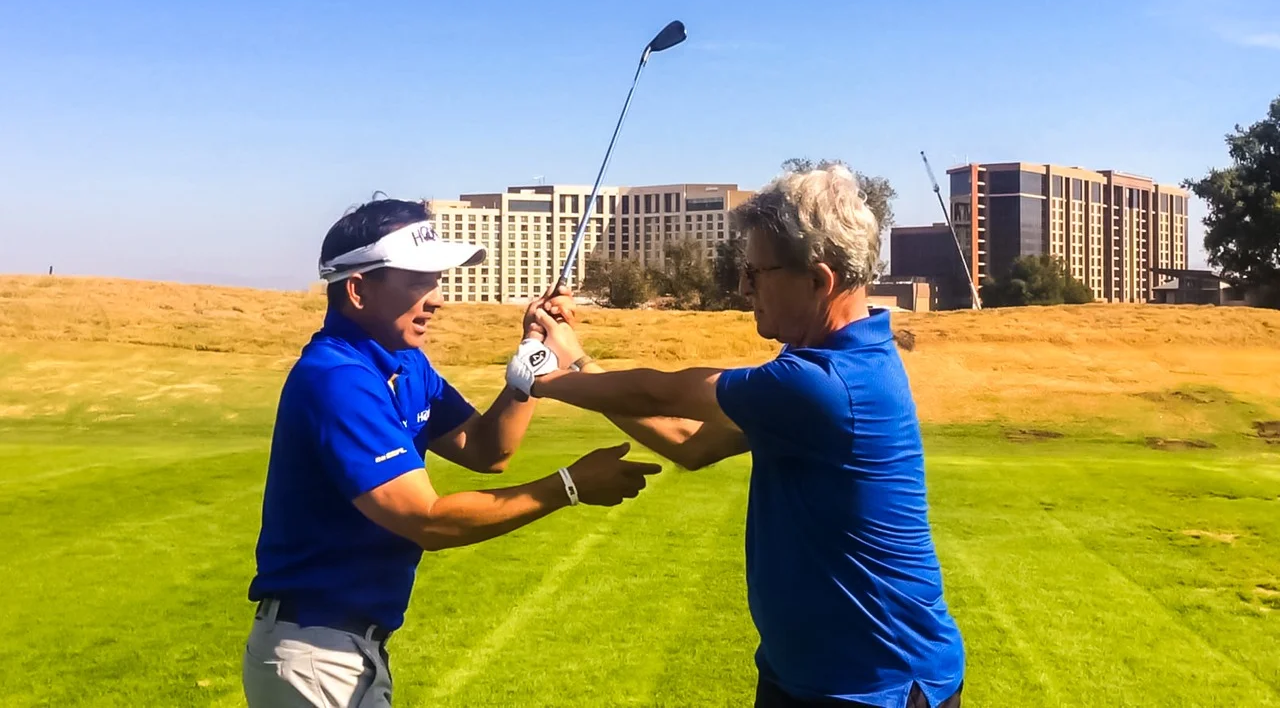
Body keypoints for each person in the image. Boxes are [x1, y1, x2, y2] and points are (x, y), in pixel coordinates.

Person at [509, 165, 965, 708]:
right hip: (799, 675)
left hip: (876, 687)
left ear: (819, 281)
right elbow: (689, 443)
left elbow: (663, 395)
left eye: (757, 271)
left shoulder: (825, 386)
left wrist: (540, 378)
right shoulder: (814, 366)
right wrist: (575, 358)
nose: (743, 287)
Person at [243, 198, 661, 708]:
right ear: (357, 290)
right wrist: (569, 486)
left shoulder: (405, 364)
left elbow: (488, 449)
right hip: (314, 654)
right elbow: (426, 520)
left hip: (345, 650)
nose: (437, 298)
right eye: (419, 280)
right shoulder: (338, 380)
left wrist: (535, 352)